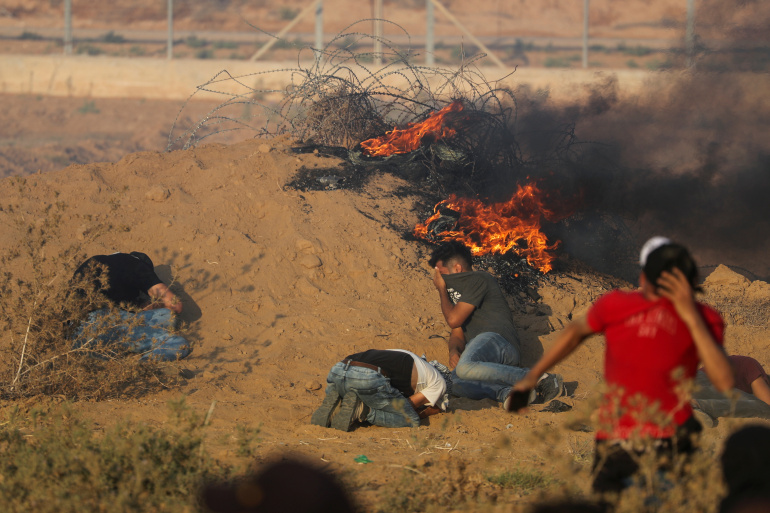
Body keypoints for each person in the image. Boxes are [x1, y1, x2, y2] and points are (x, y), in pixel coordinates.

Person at [508, 236, 735, 494]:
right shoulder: (617, 305)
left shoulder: (704, 318)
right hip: (617, 441)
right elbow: (575, 331)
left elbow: (725, 381)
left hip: (669, 441)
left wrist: (691, 317)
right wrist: (533, 376)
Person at [429, 241, 564, 405]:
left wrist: (441, 289)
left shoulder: (479, 279)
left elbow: (453, 320)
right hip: (484, 357)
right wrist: (453, 351)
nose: (439, 279)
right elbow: (457, 332)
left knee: (464, 367)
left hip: (498, 342)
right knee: (455, 384)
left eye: (442, 274)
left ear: (457, 269)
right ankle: (508, 393)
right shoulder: (457, 295)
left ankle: (541, 379)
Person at [71, 251, 191, 361]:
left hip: (73, 338)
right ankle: (143, 365)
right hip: (97, 324)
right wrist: (146, 306)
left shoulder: (93, 263)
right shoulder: (135, 264)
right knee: (178, 340)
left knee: (166, 315)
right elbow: (174, 304)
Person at [311, 349, 447, 431]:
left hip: (338, 370)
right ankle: (362, 410)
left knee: (366, 392)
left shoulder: (404, 354)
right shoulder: (439, 382)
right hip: (367, 378)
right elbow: (409, 406)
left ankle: (339, 404)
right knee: (412, 420)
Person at [692, 354, 770, 426]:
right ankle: (695, 405)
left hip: (688, 384)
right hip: (698, 381)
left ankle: (693, 409)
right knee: (763, 408)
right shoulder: (756, 370)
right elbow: (766, 404)